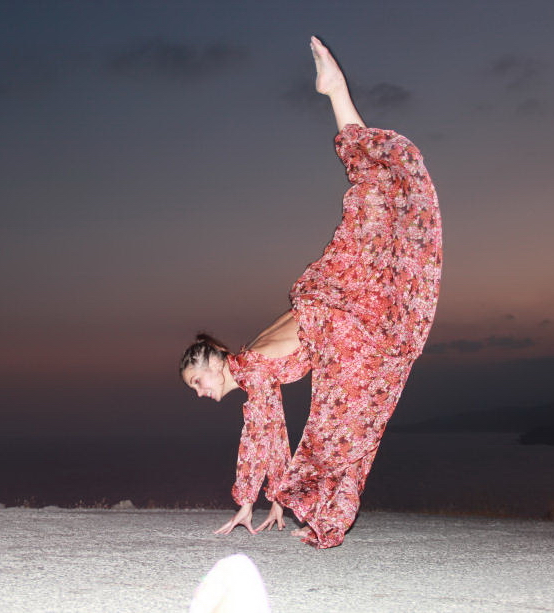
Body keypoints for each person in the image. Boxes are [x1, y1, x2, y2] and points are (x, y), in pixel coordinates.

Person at [180, 36, 443, 549]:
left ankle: (337, 90)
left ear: (215, 362)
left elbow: (262, 435)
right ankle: (336, 91)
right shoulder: (251, 356)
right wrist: (275, 501)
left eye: (197, 380)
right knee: (373, 205)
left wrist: (246, 504)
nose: (201, 393)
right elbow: (272, 433)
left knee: (343, 430)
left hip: (347, 326)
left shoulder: (249, 368)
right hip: (334, 301)